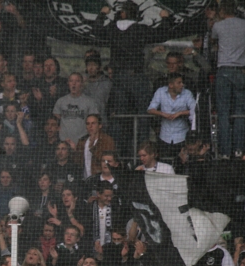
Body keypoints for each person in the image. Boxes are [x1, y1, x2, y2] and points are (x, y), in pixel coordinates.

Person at [92, 2, 173, 156]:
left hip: (119, 79)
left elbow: (95, 30)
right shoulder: (140, 29)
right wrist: (165, 18)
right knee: (143, 117)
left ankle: (119, 157)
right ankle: (142, 155)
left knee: (119, 118)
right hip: (136, 76)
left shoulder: (112, 29)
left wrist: (102, 14)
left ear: (122, 13)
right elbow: (163, 34)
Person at [212, 0, 245, 159]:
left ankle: (225, 152)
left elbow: (214, 42)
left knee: (223, 113)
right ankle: (239, 149)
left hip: (224, 70)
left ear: (222, 11)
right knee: (239, 112)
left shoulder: (218, 26)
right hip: (241, 71)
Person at [147, 72, 197, 159]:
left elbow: (195, 110)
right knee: (165, 163)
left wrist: (180, 113)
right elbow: (150, 109)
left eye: (182, 82)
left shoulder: (187, 93)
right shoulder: (160, 92)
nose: (182, 85)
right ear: (170, 85)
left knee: (182, 162)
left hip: (182, 136)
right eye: (179, 83)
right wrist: (163, 114)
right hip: (164, 136)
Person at [53, 73, 99, 146]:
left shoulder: (89, 102)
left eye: (77, 81)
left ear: (81, 84)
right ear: (68, 83)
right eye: (71, 81)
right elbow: (55, 119)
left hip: (83, 142)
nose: (74, 83)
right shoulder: (61, 101)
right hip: (64, 143)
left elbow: (94, 122)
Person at [74, 114, 115, 179]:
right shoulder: (82, 141)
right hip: (85, 180)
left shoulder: (107, 140)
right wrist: (74, 150)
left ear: (100, 125)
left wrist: (92, 148)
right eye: (88, 124)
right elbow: (77, 162)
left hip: (101, 180)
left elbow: (107, 161)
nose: (90, 126)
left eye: (93, 123)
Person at [83, 55, 112, 124]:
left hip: (102, 122)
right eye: (89, 65)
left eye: (94, 65)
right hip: (85, 123)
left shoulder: (107, 84)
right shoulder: (83, 84)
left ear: (99, 68)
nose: (91, 68)